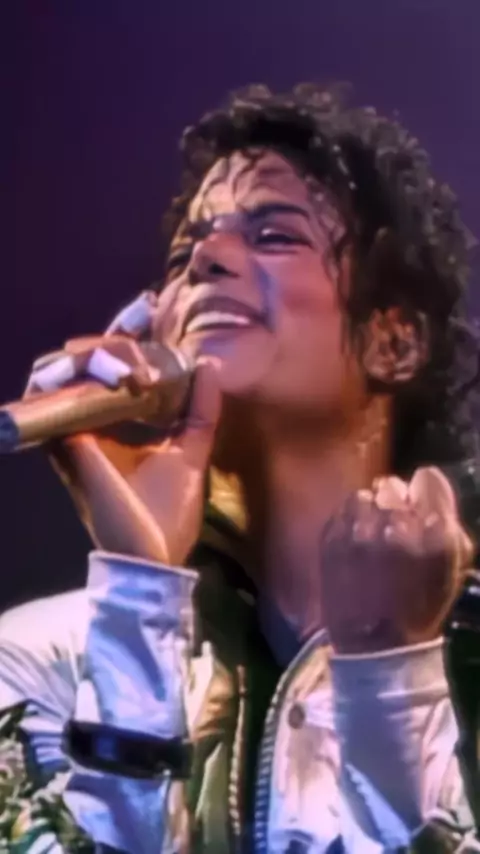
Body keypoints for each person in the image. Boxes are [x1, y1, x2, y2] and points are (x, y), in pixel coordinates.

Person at [0, 82, 479, 854]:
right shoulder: (40, 659)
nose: (206, 259)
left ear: (395, 343)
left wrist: (389, 678)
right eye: (184, 254)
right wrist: (137, 596)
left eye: (275, 235)